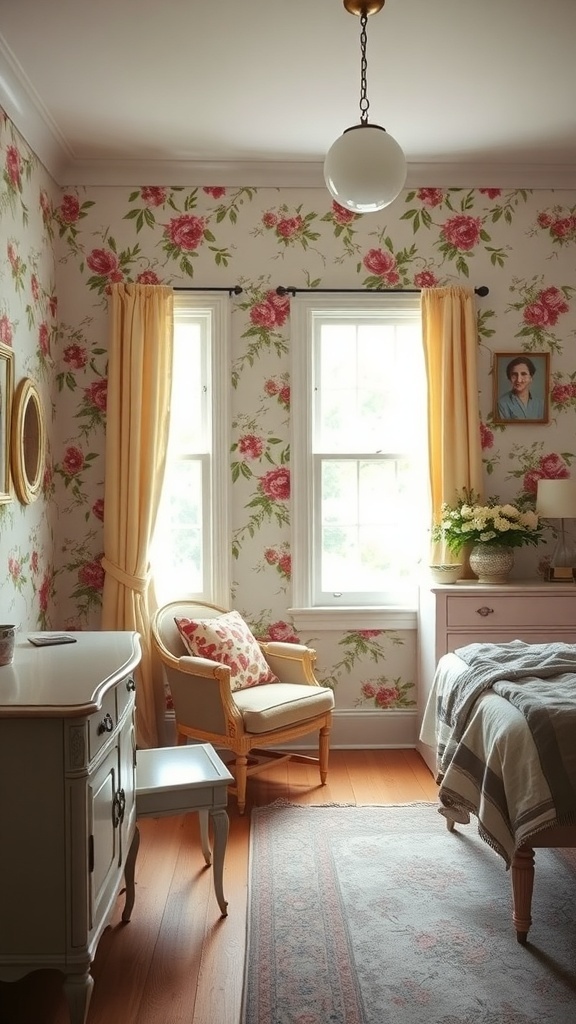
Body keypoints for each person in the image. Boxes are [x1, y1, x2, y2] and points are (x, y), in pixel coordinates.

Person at [497, 356, 544, 420]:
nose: (518, 380)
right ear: (509, 378)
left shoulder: (540, 404)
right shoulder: (502, 403)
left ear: (531, 378)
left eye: (523, 374)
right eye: (514, 375)